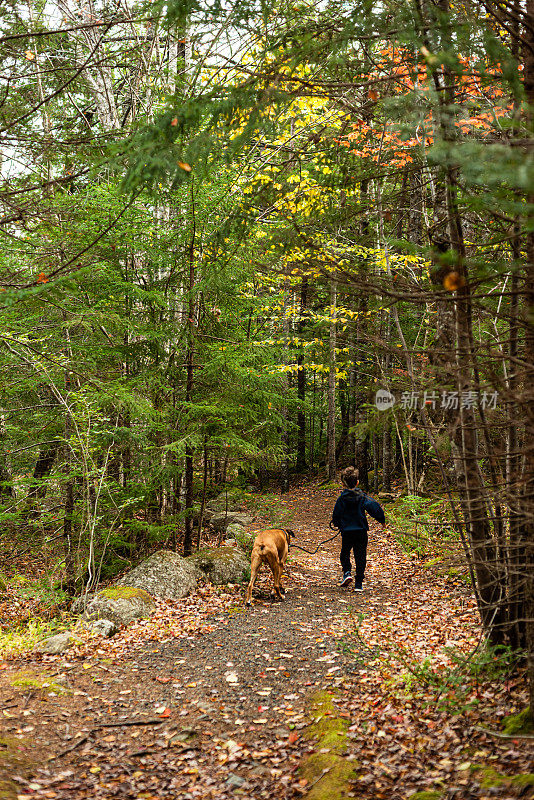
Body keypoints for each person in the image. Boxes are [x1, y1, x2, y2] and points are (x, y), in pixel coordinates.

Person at [331, 466, 385, 591]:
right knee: (360, 555)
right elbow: (374, 507)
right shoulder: (363, 497)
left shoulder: (341, 498)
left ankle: (347, 572)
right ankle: (359, 583)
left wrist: (337, 523)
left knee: (345, 553)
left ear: (343, 483)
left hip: (347, 531)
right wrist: (381, 520)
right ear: (357, 482)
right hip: (361, 530)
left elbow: (336, 514)